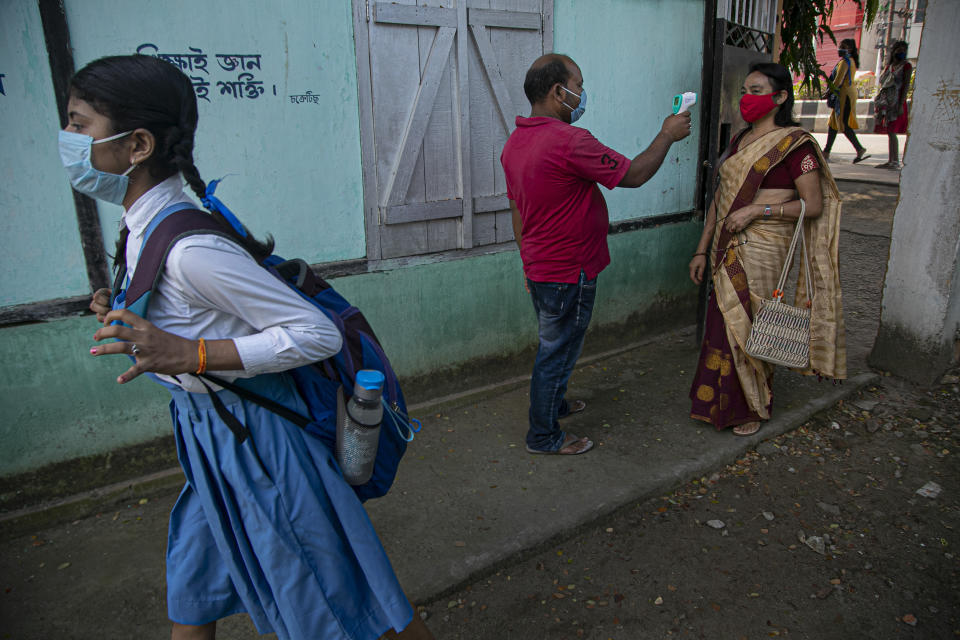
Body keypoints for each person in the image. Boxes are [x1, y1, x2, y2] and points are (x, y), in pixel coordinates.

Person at [63, 55, 433, 640]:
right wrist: (126, 313)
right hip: (208, 438)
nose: (69, 140)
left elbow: (316, 333)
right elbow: (190, 315)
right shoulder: (140, 229)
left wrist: (192, 355)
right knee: (194, 588)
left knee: (336, 604)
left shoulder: (190, 251)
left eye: (78, 125)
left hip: (258, 442)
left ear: (136, 144)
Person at [501, 54, 691, 455]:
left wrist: (527, 260)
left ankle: (555, 404)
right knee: (557, 351)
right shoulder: (570, 141)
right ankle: (543, 435)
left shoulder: (516, 141)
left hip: (542, 267)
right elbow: (634, 175)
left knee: (556, 344)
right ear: (558, 92)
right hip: (569, 272)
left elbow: (516, 209)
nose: (582, 94)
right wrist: (667, 134)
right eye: (578, 86)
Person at [687, 62, 846, 436]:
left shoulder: (795, 145)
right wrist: (700, 249)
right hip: (724, 247)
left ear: (779, 97)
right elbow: (719, 202)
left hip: (763, 247)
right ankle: (715, 404)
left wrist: (760, 209)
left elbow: (814, 205)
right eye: (745, 90)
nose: (747, 98)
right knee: (723, 323)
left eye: (756, 91)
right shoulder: (738, 142)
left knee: (752, 323)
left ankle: (750, 407)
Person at [823, 38, 870, 164]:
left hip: (845, 96)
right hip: (843, 95)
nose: (840, 49)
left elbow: (838, 81)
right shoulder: (847, 61)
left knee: (843, 124)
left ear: (850, 49)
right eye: (840, 46)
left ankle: (859, 148)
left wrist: (827, 93)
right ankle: (826, 152)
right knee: (833, 123)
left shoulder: (846, 62)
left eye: (844, 46)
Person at [873, 40, 912, 170]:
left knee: (892, 131)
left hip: (896, 102)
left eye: (903, 50)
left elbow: (905, 86)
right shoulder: (890, 66)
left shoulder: (906, 66)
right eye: (898, 49)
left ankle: (894, 161)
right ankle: (891, 160)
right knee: (889, 131)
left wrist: (901, 104)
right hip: (887, 102)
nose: (901, 52)